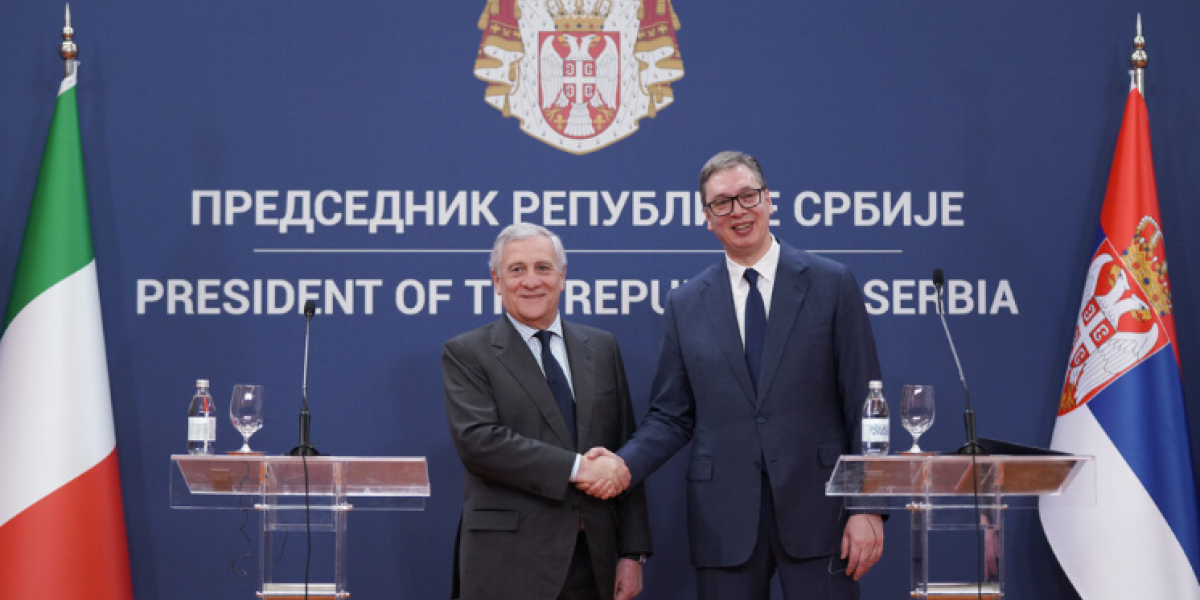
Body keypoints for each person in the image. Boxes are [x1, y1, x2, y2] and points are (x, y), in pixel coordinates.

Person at [588, 151, 884, 599]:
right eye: (722, 203)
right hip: (723, 520)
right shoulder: (686, 304)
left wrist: (867, 506)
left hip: (821, 512)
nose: (738, 211)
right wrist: (622, 464)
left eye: (748, 196)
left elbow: (866, 403)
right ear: (707, 219)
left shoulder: (832, 283)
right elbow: (670, 416)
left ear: (769, 201)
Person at [443, 223, 652, 600]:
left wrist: (632, 552)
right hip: (508, 563)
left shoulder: (601, 348)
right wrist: (580, 468)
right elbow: (479, 442)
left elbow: (624, 447)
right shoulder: (467, 352)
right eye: (516, 269)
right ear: (496, 280)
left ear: (562, 275)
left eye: (543, 267)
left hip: (594, 561)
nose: (531, 281)